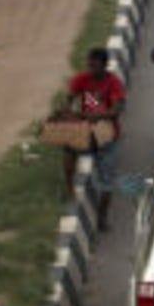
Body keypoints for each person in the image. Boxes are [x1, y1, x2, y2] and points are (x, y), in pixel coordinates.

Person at [62, 47, 126, 229]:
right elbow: (69, 97)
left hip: (106, 133)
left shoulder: (114, 83)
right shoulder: (82, 79)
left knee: (107, 181)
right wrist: (67, 112)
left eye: (94, 65)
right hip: (86, 129)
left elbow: (117, 110)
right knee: (68, 148)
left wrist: (96, 116)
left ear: (104, 65)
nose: (90, 68)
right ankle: (69, 187)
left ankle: (102, 219)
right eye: (89, 64)